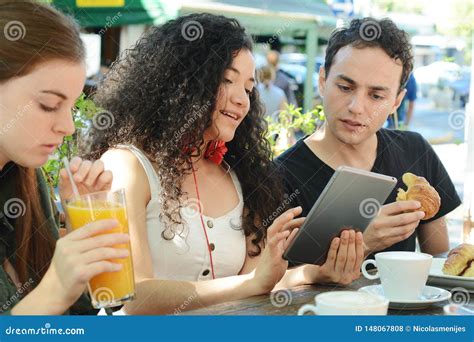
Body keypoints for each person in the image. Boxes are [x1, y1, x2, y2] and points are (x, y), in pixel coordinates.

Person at [85, 13, 364, 315]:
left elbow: (258, 281)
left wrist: (313, 273)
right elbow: (134, 296)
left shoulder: (239, 175)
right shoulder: (127, 166)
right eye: (227, 79)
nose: (243, 100)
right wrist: (250, 284)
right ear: (183, 81)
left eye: (247, 87)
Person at [276, 18, 461, 261]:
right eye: (345, 87)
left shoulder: (415, 151)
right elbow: (271, 285)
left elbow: (438, 258)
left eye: (376, 95)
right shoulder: (279, 177)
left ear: (396, 101)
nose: (356, 107)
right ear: (322, 81)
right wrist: (364, 243)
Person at [0, 0, 129, 315]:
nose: (68, 127)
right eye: (48, 104)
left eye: (70, 106)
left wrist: (82, 229)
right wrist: (54, 289)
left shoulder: (25, 180)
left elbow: (79, 317)